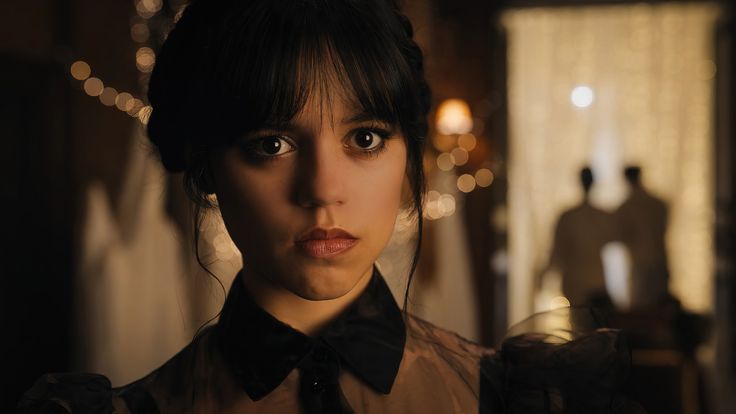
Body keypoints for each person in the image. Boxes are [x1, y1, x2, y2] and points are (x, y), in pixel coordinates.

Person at [18, 1, 644, 413]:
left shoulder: (515, 396)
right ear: (208, 168)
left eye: (365, 138)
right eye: (273, 143)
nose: (323, 189)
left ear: (407, 158)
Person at [541, 167, 618, 307]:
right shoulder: (599, 216)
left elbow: (557, 252)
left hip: (581, 281)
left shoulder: (570, 216)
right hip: (586, 280)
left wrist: (545, 275)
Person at [614, 166, 670, 310]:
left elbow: (619, 235)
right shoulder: (658, 204)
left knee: (641, 310)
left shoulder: (626, 208)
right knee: (658, 309)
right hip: (659, 261)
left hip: (640, 264)